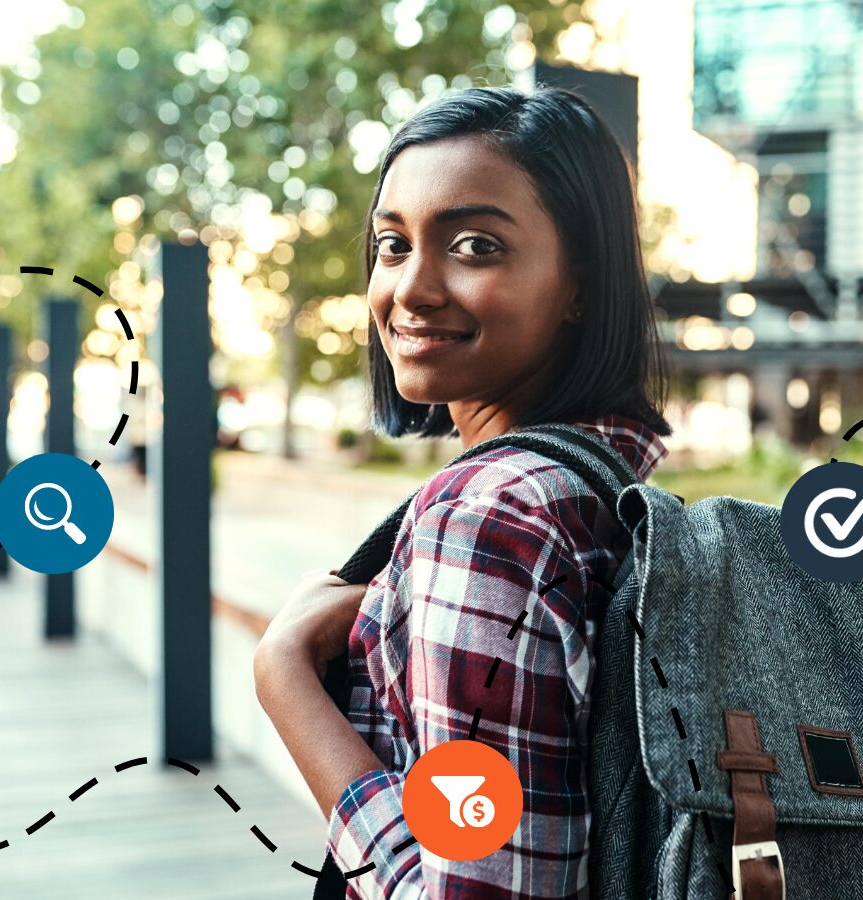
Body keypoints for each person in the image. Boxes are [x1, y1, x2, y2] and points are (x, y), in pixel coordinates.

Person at [252, 84, 672, 898]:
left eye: (476, 245)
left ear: (579, 281)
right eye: (392, 244)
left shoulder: (494, 514)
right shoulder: (606, 483)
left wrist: (285, 680)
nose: (410, 289)